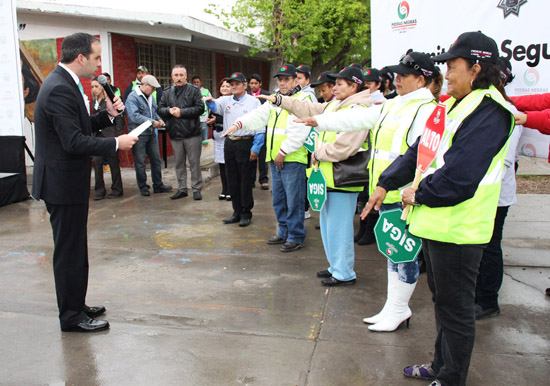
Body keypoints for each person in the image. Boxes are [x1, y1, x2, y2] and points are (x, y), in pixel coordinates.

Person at [296, 31, 514, 386]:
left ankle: (451, 377)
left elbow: (460, 175)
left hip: (459, 228)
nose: (449, 74)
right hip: (434, 223)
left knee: (457, 310)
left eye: (454, 66)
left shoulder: (491, 111)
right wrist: (386, 183)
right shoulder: (453, 105)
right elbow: (418, 152)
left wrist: (417, 193)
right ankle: (440, 365)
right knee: (443, 305)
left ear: (476, 67)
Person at [32, 32, 138, 332]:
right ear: (81, 58)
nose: (98, 63)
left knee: (76, 249)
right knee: (69, 252)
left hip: (69, 183)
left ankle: (76, 304)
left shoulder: (67, 83)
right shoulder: (58, 89)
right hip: (60, 184)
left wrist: (107, 116)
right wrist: (116, 144)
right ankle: (70, 316)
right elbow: (74, 142)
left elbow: (81, 126)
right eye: (96, 57)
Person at [261, 66, 371, 286]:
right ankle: (335, 266)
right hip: (327, 176)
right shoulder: (335, 105)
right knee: (329, 225)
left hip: (343, 178)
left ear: (354, 85)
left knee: (340, 227)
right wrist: (281, 101)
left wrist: (318, 153)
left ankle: (344, 272)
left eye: (339, 84)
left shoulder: (359, 109)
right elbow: (307, 108)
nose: (333, 88)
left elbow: (346, 147)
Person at [223, 64, 313, 252]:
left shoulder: (303, 99)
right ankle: (283, 231)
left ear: (295, 80)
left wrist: (283, 152)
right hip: (275, 158)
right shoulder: (276, 99)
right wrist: (238, 124)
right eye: (279, 79)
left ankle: (295, 236)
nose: (282, 83)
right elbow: (260, 115)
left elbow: (300, 129)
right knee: (278, 199)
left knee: (294, 200)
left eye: (286, 79)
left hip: (291, 158)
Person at [474, 56, 523, 320]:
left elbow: (504, 160)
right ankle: (481, 294)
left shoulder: (506, 111)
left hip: (497, 194)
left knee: (490, 246)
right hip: (484, 192)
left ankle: (488, 300)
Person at [205, 72, 263, 226]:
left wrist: (256, 147)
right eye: (232, 84)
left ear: (245, 85)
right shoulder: (225, 100)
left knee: (245, 180)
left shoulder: (253, 102)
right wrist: (209, 102)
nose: (234, 86)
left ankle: (246, 212)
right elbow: (215, 107)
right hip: (230, 142)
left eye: (237, 83)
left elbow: (260, 125)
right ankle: (236, 211)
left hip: (246, 142)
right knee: (232, 179)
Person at [158, 65, 204, 200]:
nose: (178, 78)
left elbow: (200, 108)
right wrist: (169, 111)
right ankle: (182, 188)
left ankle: (196, 189)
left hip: (192, 133)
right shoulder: (167, 92)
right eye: (176, 75)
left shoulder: (194, 90)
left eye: (181, 75)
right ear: (172, 77)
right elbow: (159, 108)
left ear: (186, 76)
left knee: (194, 163)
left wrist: (181, 112)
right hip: (175, 133)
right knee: (179, 163)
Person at [126, 75, 172, 197]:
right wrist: (152, 122)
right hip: (139, 134)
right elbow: (134, 116)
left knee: (156, 160)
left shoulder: (150, 97)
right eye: (152, 88)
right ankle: (143, 187)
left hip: (151, 133)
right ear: (144, 85)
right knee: (140, 162)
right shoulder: (133, 97)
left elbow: (155, 111)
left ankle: (158, 185)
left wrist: (159, 120)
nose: (154, 91)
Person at [90, 76, 125, 200]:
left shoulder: (109, 100)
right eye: (92, 87)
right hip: (97, 136)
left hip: (110, 134)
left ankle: (117, 189)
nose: (94, 89)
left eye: (97, 87)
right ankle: (99, 190)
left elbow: (119, 119)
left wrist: (118, 135)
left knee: (113, 163)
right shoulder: (92, 102)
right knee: (97, 162)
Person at [207, 77, 232, 200]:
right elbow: (210, 117)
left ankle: (231, 190)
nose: (225, 88)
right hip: (218, 137)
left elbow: (231, 118)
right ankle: (224, 189)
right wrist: (210, 121)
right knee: (221, 164)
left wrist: (217, 119)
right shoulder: (215, 102)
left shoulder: (233, 101)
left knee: (229, 165)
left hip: (229, 136)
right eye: (223, 86)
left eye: (228, 86)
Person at [248, 73, 271, 190]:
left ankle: (263, 179)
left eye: (256, 83)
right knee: (251, 156)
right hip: (250, 129)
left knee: (262, 156)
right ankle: (251, 180)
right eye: (251, 83)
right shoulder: (246, 96)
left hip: (263, 129)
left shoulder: (267, 96)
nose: (253, 85)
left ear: (260, 84)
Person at [191, 76, 212, 146]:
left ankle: (204, 156)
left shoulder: (206, 91)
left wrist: (210, 117)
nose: (196, 84)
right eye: (194, 82)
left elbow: (211, 104)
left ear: (201, 83)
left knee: (204, 140)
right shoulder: (189, 91)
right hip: (193, 120)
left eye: (197, 82)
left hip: (204, 119)